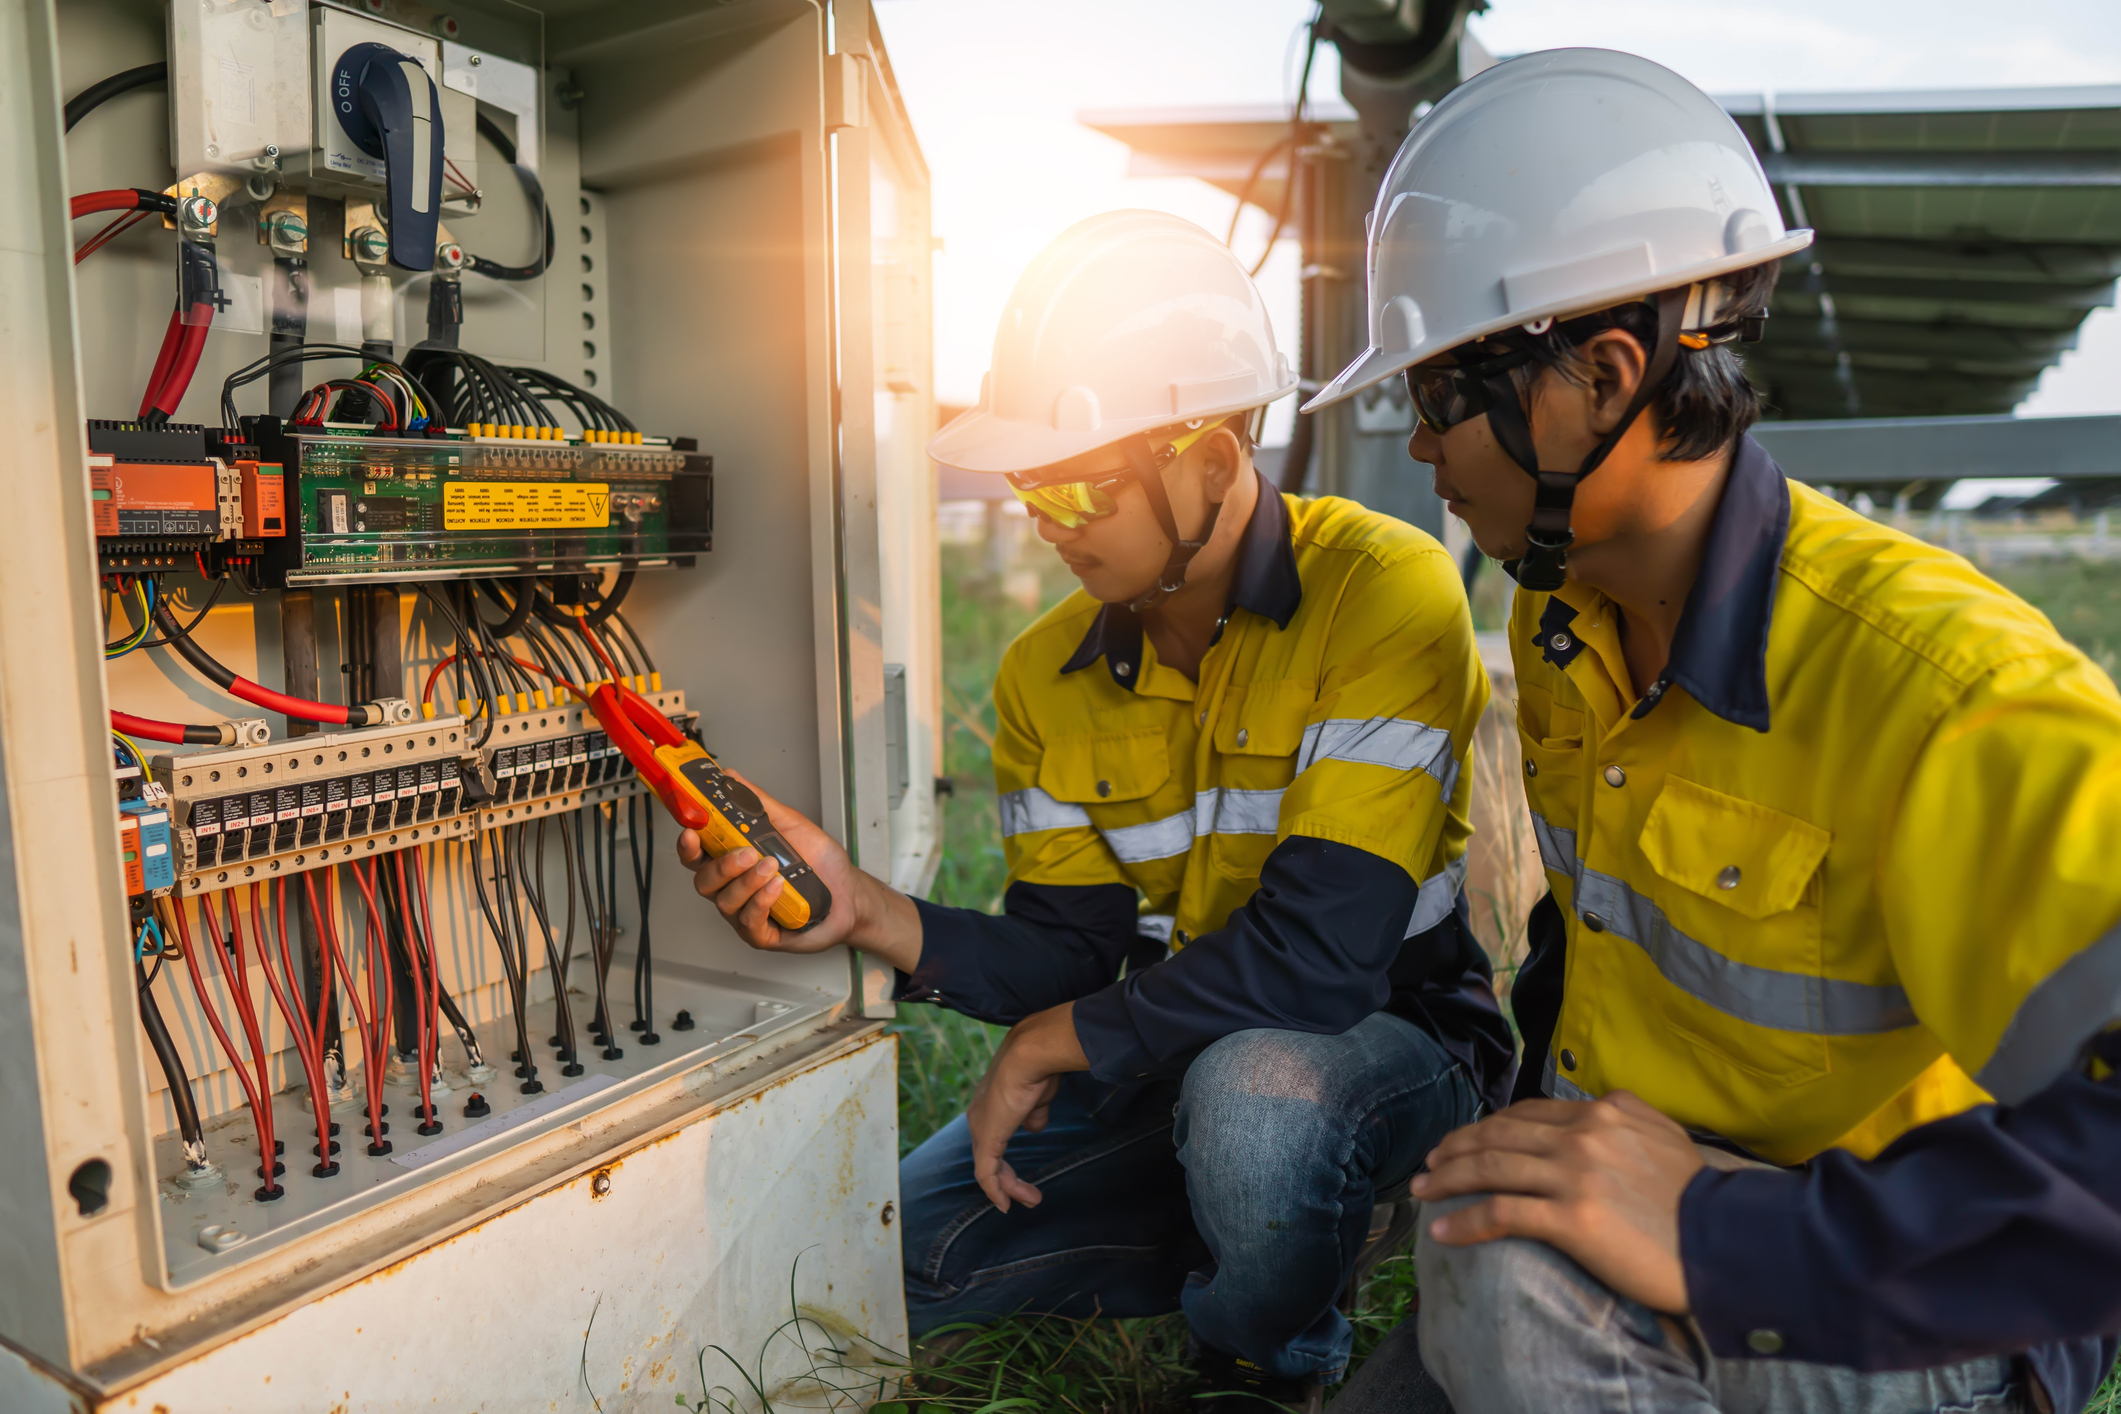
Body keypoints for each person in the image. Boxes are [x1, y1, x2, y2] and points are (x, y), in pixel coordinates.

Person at [1304, 47, 2121, 1414]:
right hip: (1664, 1199)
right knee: (1478, 1259)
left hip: (1903, 1284)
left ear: (1602, 375)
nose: (1424, 445)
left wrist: (1713, 1233)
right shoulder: (1565, 627)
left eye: (1439, 392)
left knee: (1504, 1272)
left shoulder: (1940, 693)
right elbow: (1597, 941)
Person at [676, 210, 1516, 1411]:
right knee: (888, 1258)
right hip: (1169, 1051)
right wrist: (865, 909)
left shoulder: (1384, 592)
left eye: (1080, 485)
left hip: (1384, 1046)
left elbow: (1325, 959)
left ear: (1215, 462)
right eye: (1029, 483)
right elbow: (1073, 952)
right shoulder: (1041, 674)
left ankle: (1265, 1353)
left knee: (1260, 1103)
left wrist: (1058, 1040)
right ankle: (1255, 1233)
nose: (1048, 522)